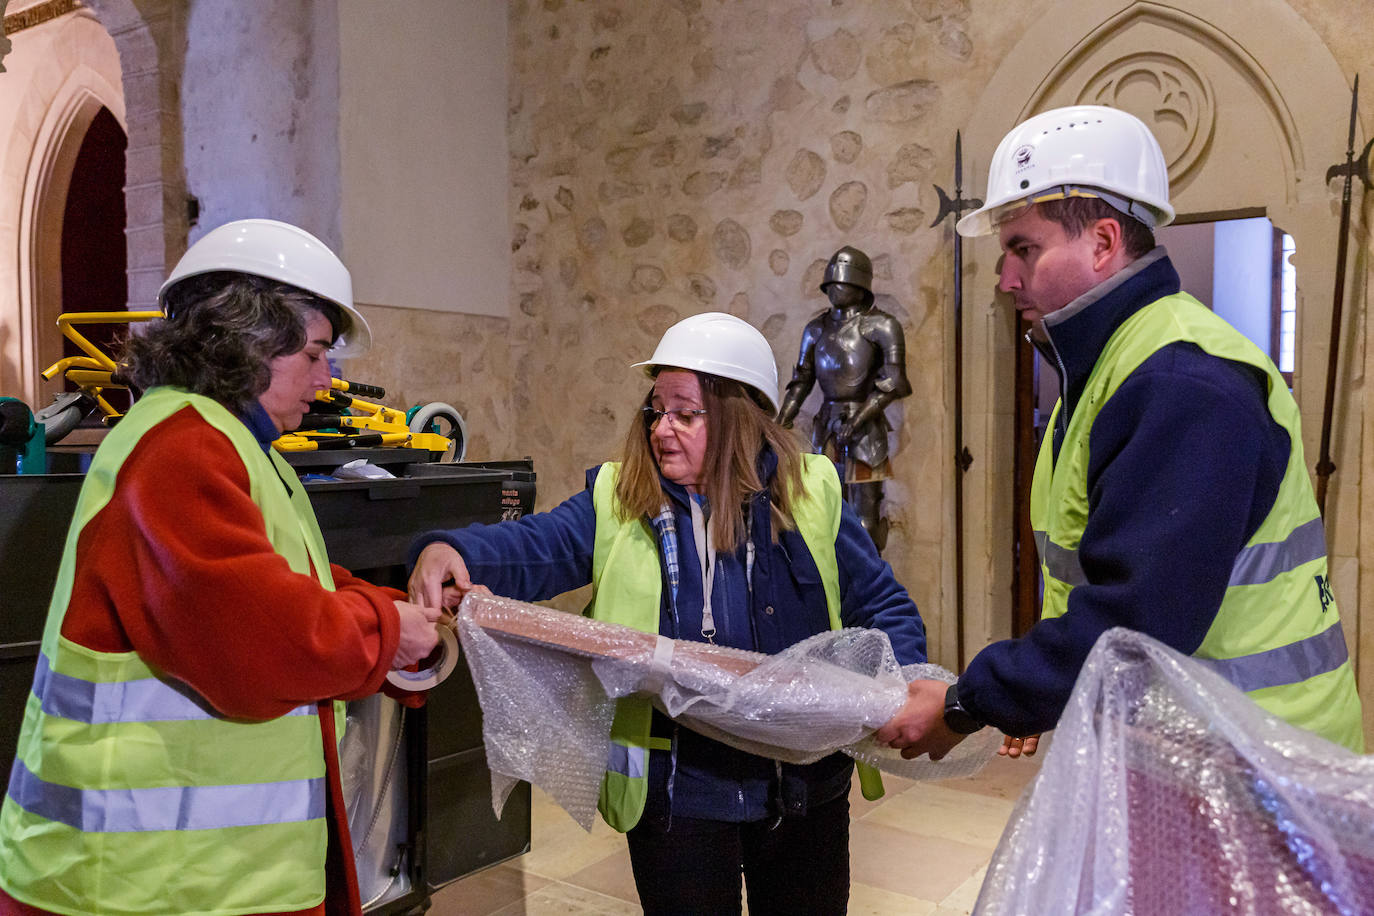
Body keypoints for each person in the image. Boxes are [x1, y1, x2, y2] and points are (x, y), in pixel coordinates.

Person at [876, 105, 1364, 763]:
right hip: (1197, 747)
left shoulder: (1181, 380)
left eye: (1025, 249)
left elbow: (1133, 619)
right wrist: (1042, 692)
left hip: (1257, 763)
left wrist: (971, 701)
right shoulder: (1112, 366)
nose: (1005, 278)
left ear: (1103, 242)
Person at [409, 311, 926, 915]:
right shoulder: (620, 498)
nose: (662, 429)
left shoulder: (810, 494)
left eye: (685, 413)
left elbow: (882, 603)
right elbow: (534, 547)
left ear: (742, 418)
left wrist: (908, 680)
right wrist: (454, 549)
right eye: (657, 410)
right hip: (680, 793)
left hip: (800, 788)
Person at [0, 218, 444, 916]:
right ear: (251, 339)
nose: (328, 381)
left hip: (192, 878)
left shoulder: (231, 443)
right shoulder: (181, 447)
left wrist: (399, 618)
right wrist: (388, 629)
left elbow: (300, 583)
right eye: (317, 353)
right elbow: (264, 637)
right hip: (135, 884)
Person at [777, 246, 912, 551]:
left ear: (859, 284)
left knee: (866, 515)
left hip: (867, 428)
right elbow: (802, 380)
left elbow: (894, 382)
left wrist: (859, 419)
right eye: (833, 283)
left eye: (843, 282)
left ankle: (868, 586)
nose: (836, 288)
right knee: (821, 511)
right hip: (824, 427)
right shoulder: (816, 329)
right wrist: (779, 421)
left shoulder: (882, 326)